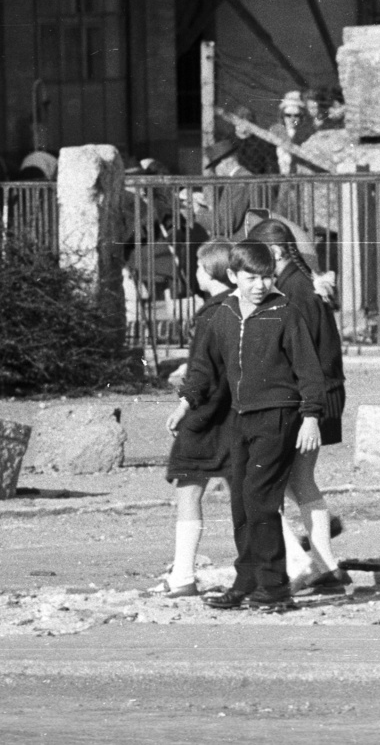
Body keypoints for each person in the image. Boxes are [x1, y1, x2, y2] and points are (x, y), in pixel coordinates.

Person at [177, 239, 328, 613]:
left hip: (279, 418)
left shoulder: (286, 314)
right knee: (241, 505)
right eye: (251, 278)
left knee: (261, 502)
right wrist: (186, 401)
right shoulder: (224, 313)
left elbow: (310, 373)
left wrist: (310, 417)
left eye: (266, 277)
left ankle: (275, 588)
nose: (260, 285)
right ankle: (246, 582)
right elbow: (205, 366)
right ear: (232, 276)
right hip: (239, 418)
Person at [247, 218, 349, 593]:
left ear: (274, 253)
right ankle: (325, 565)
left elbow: (297, 357)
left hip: (307, 399)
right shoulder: (301, 285)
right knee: (300, 481)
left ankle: (305, 565)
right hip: (322, 395)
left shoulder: (292, 292)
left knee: (275, 483)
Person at [158, 241, 235, 598]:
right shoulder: (241, 307)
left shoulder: (209, 314)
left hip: (207, 414)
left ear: (211, 272)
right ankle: (297, 560)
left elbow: (203, 370)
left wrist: (183, 405)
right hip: (235, 412)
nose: (196, 273)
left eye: (201, 267)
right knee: (249, 494)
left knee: (188, 488)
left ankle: (184, 574)